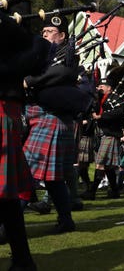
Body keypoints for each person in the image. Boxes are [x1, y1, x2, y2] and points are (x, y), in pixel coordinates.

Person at [22, 13, 89, 234]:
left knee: (27, 172)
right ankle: (66, 220)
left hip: (50, 119)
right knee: (54, 179)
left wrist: (30, 81)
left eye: (50, 32)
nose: (45, 35)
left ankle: (5, 225)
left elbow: (60, 74)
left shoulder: (68, 58)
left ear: (61, 36)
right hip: (41, 117)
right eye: (43, 32)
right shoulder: (40, 55)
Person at [0, 9, 53, 270]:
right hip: (6, 109)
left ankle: (23, 259)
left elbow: (40, 52)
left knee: (5, 193)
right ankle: (23, 259)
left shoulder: (8, 27)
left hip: (2, 106)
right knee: (6, 194)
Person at [80, 76, 124, 200]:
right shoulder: (99, 99)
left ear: (109, 88)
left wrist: (102, 116)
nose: (99, 88)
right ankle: (115, 190)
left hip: (110, 134)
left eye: (102, 86)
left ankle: (92, 192)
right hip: (100, 134)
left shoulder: (116, 99)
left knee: (100, 163)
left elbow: (120, 112)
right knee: (108, 166)